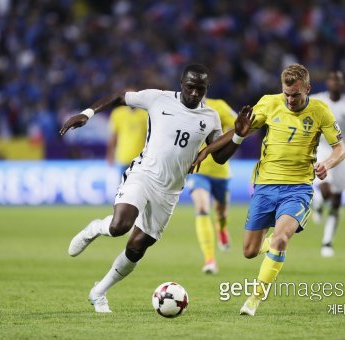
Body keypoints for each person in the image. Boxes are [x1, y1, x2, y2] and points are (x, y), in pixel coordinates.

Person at [58, 64, 250, 314]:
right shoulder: (158, 98)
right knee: (119, 227)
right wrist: (87, 113)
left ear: (206, 89)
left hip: (170, 191)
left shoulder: (210, 117)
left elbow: (220, 157)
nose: (194, 93)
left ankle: (99, 292)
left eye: (200, 89)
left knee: (136, 248)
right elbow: (119, 96)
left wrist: (237, 136)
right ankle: (96, 228)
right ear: (181, 83)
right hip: (143, 175)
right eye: (190, 87)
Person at [191, 64, 345, 316]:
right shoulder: (268, 104)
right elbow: (238, 131)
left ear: (307, 88)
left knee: (282, 239)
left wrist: (326, 164)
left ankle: (254, 298)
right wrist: (208, 150)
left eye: (296, 94)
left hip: (298, 189)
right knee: (250, 251)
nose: (291, 100)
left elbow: (340, 148)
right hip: (265, 187)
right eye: (287, 94)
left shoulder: (320, 111)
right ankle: (269, 244)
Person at [310, 71, 345, 257]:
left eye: (339, 81)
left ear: (343, 84)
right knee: (326, 190)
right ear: (327, 82)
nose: (336, 83)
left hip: (342, 150)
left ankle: (327, 241)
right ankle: (317, 201)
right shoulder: (317, 100)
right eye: (333, 80)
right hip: (322, 148)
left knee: (337, 199)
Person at [185, 98, 237, 274]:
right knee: (201, 208)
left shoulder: (219, 106)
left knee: (221, 212)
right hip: (198, 170)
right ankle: (209, 259)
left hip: (221, 171)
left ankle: (221, 228)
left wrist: (225, 141)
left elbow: (240, 126)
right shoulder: (182, 109)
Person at [106, 105, 148, 176]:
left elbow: (148, 137)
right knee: (123, 184)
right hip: (123, 158)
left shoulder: (145, 114)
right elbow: (113, 136)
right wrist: (110, 155)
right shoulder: (117, 113)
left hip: (140, 160)